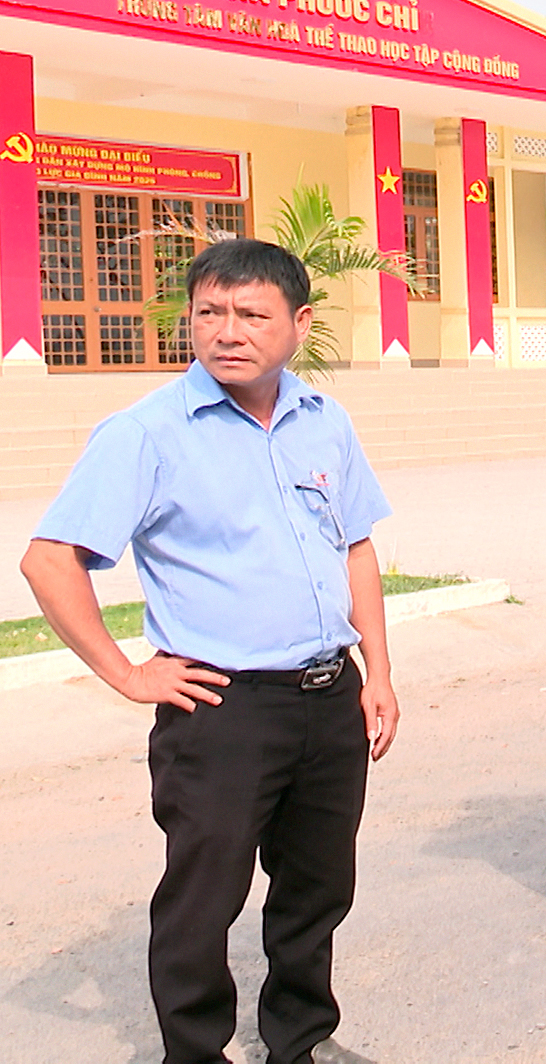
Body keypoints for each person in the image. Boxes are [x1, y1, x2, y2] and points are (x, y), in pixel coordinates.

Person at [19, 239, 399, 1064]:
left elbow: (355, 547)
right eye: (210, 313)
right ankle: (194, 1051)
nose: (229, 331)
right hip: (222, 708)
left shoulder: (324, 422)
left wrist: (379, 672)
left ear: (299, 323)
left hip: (329, 698)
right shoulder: (147, 433)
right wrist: (128, 674)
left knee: (317, 890)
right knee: (203, 898)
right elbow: (49, 561)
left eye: (252, 314)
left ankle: (299, 1042)